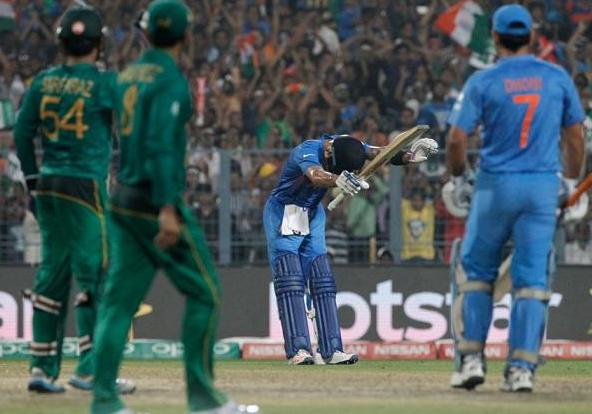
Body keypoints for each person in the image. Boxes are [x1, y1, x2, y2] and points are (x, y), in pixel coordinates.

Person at [90, 2, 252, 413]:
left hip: (122, 197)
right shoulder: (172, 83)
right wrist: (167, 208)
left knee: (117, 303)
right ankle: (203, 399)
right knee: (205, 294)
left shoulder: (126, 77)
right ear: (186, 35)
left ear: (144, 33)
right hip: (155, 202)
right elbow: (163, 145)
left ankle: (104, 400)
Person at [446, 5, 585, 392]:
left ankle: (471, 359)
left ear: (494, 37)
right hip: (541, 189)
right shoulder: (556, 78)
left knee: (476, 276)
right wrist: (569, 182)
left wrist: (460, 178)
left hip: (494, 187)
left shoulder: (483, 80)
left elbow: (457, 139)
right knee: (531, 282)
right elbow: (575, 136)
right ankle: (522, 368)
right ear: (531, 35)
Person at [13, 5, 135, 394]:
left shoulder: (43, 82)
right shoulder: (105, 84)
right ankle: (92, 368)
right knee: (96, 274)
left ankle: (41, 367)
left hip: (48, 185)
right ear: (99, 45)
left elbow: (21, 133)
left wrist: (32, 178)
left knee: (52, 274)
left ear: (61, 42)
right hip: (85, 187)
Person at [264, 133, 438, 365]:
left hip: (313, 213)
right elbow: (315, 176)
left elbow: (380, 154)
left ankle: (332, 350)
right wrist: (336, 179)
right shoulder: (307, 151)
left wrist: (409, 157)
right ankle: (299, 350)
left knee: (323, 280)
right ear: (328, 153)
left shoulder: (347, 144)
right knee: (291, 280)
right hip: (285, 212)